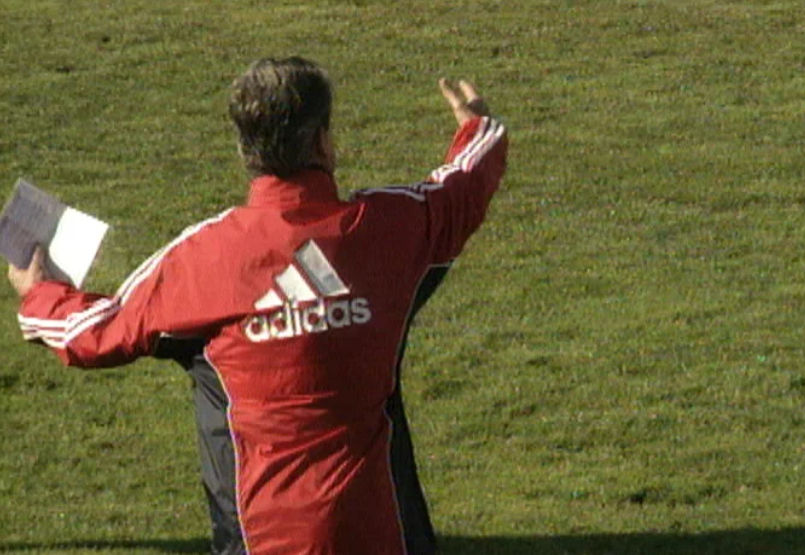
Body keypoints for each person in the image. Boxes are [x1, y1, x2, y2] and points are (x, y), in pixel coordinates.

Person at [9, 56, 507, 555]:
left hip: (262, 536)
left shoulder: (205, 256)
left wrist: (39, 294)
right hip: (381, 530)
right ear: (320, 143)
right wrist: (476, 126)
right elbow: (463, 187)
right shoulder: (389, 230)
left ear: (246, 148)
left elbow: (94, 333)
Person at [154, 263, 449, 555]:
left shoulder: (210, 297)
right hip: (378, 525)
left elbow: (122, 325)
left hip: (258, 533)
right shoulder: (381, 282)